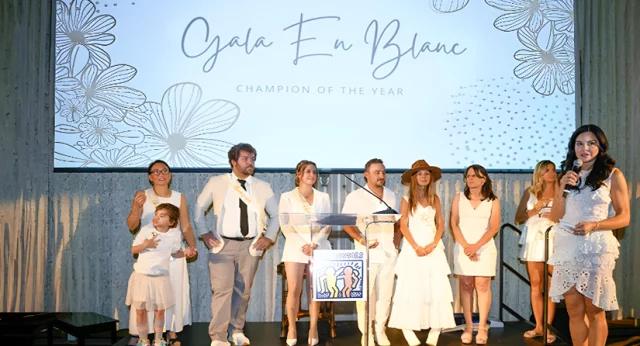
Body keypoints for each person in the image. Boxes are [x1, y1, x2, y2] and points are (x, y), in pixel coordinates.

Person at [548, 124, 630, 346]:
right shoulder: (566, 175)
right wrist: (561, 189)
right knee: (574, 310)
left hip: (596, 247)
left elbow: (624, 218)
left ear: (600, 146)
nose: (585, 148)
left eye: (591, 143)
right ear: (573, 148)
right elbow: (555, 216)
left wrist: (594, 225)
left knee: (595, 311)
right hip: (567, 246)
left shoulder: (613, 175)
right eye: (579, 143)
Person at [194, 143, 280, 346]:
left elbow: (277, 215)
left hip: (250, 246)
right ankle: (218, 336)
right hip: (223, 245)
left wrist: (269, 237)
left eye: (252, 158)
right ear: (233, 161)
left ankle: (237, 330)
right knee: (222, 290)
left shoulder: (262, 186)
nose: (250, 162)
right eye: (245, 159)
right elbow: (199, 208)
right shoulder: (217, 182)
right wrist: (204, 233)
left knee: (243, 291)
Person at [126, 160, 197, 345]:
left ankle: (171, 331)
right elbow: (132, 225)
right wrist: (135, 208)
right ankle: (145, 334)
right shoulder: (143, 195)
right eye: (156, 171)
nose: (161, 174)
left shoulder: (179, 197)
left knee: (172, 292)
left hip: (173, 252)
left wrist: (192, 246)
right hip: (151, 256)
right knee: (149, 294)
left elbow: (186, 224)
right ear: (150, 177)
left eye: (164, 170)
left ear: (170, 174)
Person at [388, 160, 456, 346]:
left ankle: (435, 330)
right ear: (413, 177)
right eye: (420, 173)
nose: (423, 176)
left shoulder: (435, 199)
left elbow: (440, 224)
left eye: (427, 173)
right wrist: (416, 246)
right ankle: (408, 330)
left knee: (436, 288)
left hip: (433, 248)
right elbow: (402, 225)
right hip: (413, 248)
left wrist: (433, 244)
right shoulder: (406, 199)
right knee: (411, 288)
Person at [342, 158, 401, 346]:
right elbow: (347, 223)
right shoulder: (355, 197)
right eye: (377, 172)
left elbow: (398, 223)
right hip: (366, 253)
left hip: (389, 253)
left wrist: (396, 244)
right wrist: (362, 240)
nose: (381, 175)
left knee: (386, 294)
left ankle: (380, 330)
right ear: (366, 174)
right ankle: (366, 332)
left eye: (383, 172)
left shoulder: (392, 195)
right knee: (365, 296)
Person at [278, 160, 332, 346]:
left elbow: (327, 224)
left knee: (314, 290)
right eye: (307, 171)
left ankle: (313, 327)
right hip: (295, 247)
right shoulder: (287, 197)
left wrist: (315, 243)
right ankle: (292, 327)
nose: (311, 175)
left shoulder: (323, 197)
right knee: (294, 289)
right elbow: (285, 224)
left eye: (314, 172)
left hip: (319, 247)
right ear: (298, 175)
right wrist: (303, 244)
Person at [451, 164, 500, 345]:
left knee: (482, 285)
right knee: (465, 285)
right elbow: (454, 224)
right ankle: (468, 326)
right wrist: (466, 247)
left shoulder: (493, 200)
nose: (470, 178)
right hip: (463, 247)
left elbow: (494, 227)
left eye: (474, 176)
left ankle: (481, 328)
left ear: (483, 179)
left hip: (485, 248)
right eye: (468, 175)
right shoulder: (458, 198)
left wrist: (476, 246)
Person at [126, 203, 183, 346]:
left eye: (162, 216)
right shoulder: (146, 230)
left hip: (160, 278)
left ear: (171, 222)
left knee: (160, 311)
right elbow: (134, 249)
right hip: (142, 277)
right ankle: (143, 339)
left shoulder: (174, 235)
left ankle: (159, 339)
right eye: (156, 214)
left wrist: (185, 253)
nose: (156, 218)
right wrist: (146, 245)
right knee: (140, 311)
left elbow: (174, 252)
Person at [515, 160, 557, 343]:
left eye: (554, 170)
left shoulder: (563, 191)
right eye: (547, 171)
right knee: (536, 284)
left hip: (554, 238)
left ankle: (548, 328)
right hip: (534, 239)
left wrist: (556, 215)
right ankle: (538, 326)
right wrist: (536, 208)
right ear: (539, 173)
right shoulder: (530, 192)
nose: (552, 174)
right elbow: (518, 218)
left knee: (550, 286)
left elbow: (570, 215)